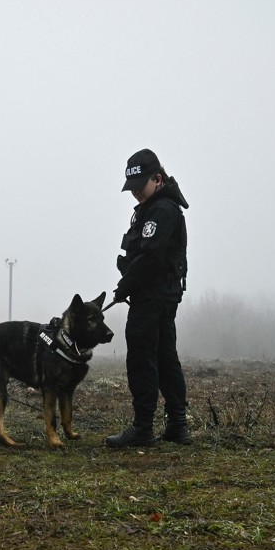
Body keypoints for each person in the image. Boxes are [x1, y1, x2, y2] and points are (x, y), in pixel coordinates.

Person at [106, 149, 191, 448]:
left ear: (157, 178)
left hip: (152, 296)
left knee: (142, 359)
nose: (136, 194)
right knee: (166, 357)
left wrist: (124, 286)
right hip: (163, 295)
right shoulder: (156, 207)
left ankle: (143, 428)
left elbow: (150, 256)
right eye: (132, 188)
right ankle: (177, 426)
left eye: (140, 187)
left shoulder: (161, 210)